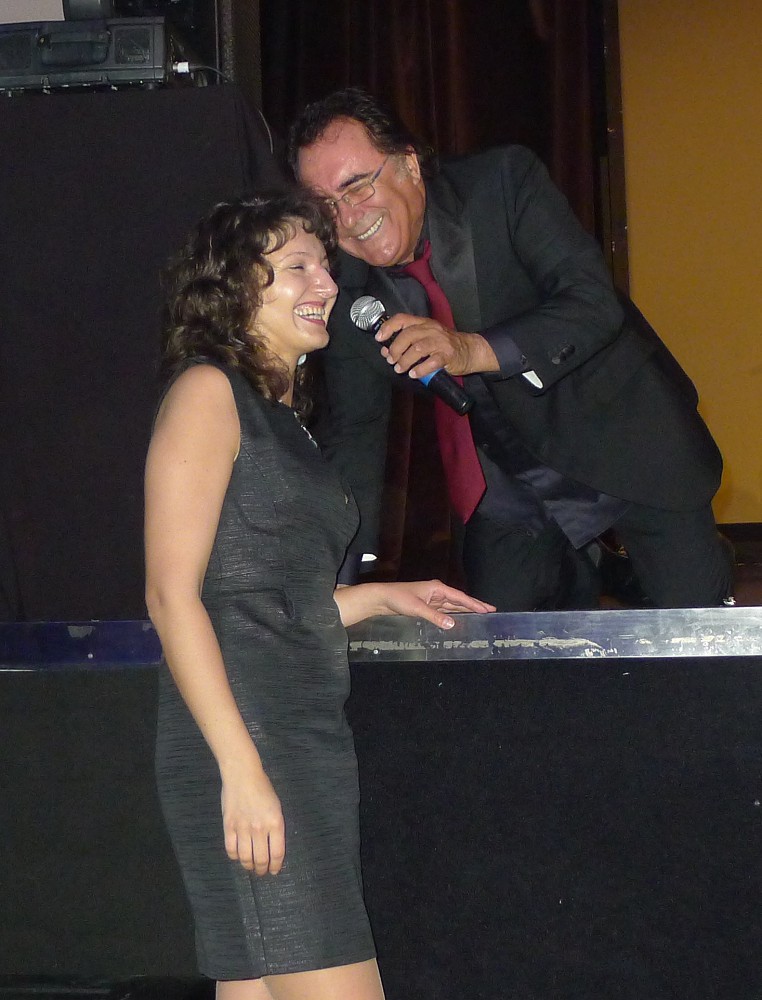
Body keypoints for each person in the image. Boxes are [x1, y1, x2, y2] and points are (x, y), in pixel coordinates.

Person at [144, 191, 494, 1000]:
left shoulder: (279, 417)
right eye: (297, 265)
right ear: (233, 285)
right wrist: (241, 769)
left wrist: (380, 598)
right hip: (251, 741)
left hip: (295, 738)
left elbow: (266, 603)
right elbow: (171, 597)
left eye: (325, 266)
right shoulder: (207, 391)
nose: (327, 283)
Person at [288, 87, 735, 612]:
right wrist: (338, 575)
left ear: (408, 164)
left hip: (620, 437)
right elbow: (357, 431)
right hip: (505, 480)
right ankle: (598, 569)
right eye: (325, 206)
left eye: (357, 186)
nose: (347, 216)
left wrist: (471, 350)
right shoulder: (344, 290)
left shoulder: (500, 183)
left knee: (697, 634)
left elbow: (592, 302)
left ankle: (617, 568)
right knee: (496, 647)